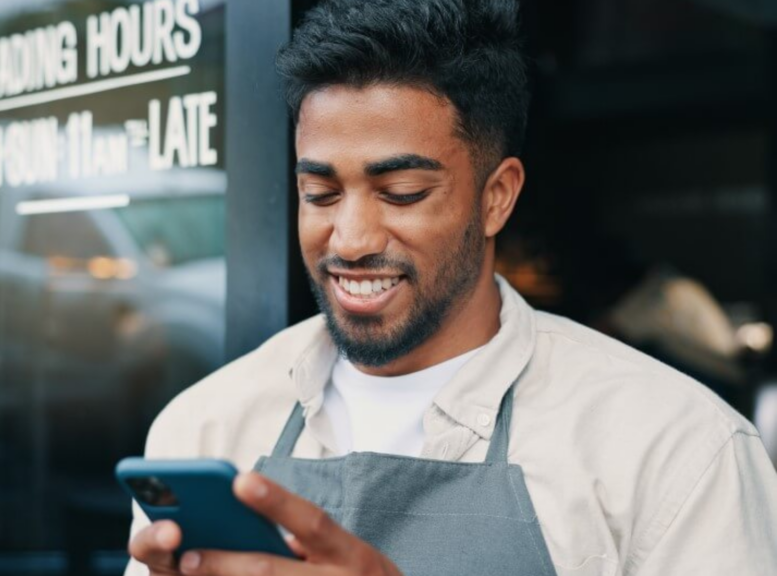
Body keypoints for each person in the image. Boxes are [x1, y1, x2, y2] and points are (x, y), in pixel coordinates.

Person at [124, 1, 777, 574]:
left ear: (497, 197)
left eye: (401, 193)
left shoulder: (675, 451)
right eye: (319, 193)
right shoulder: (205, 426)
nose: (349, 239)